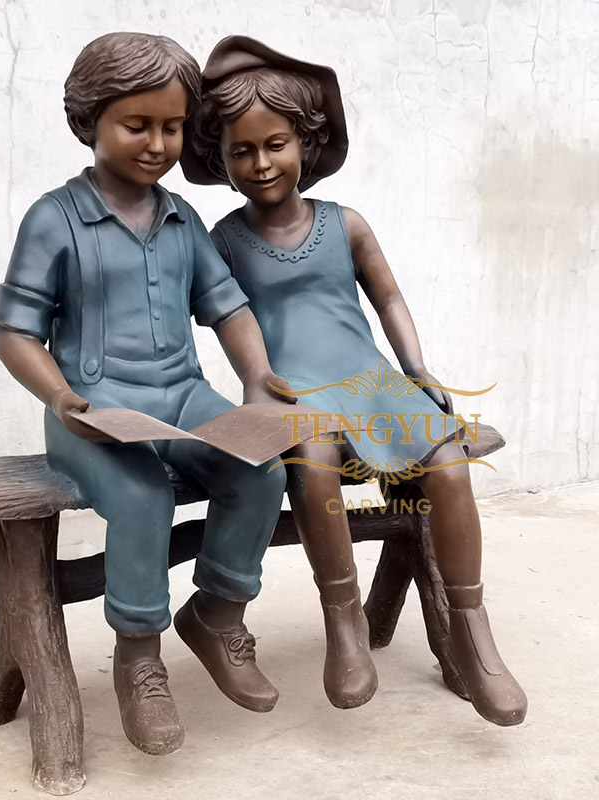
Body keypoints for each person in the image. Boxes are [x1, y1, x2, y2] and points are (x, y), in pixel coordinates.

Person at [182, 35, 527, 726]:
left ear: (305, 141)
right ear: (220, 159)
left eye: (274, 143)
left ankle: (471, 628)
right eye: (240, 151)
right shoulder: (221, 239)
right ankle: (342, 621)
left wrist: (416, 366)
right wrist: (250, 384)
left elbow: (388, 299)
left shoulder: (346, 225)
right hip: (295, 393)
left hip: (371, 381)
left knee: (449, 464)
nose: (259, 162)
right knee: (311, 463)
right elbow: (220, 315)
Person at [0, 32, 294, 756]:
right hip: (94, 410)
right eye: (137, 125)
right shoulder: (53, 219)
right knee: (142, 498)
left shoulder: (183, 219)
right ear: (88, 121)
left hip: (182, 395)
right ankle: (139, 656)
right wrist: (63, 399)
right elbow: (14, 333)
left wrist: (255, 378)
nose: (158, 143)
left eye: (172, 126)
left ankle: (218, 613)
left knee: (262, 468)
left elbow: (229, 307)